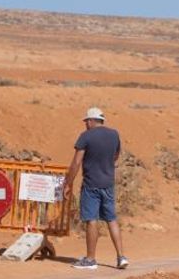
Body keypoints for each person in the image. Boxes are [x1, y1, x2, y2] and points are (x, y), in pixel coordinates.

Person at [63, 107, 129, 270]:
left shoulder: (86, 136)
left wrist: (68, 183)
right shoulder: (114, 134)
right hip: (108, 183)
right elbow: (116, 155)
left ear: (92, 121)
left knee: (91, 220)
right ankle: (121, 257)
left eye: (87, 121)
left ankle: (90, 259)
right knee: (111, 219)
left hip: (91, 184)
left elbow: (76, 163)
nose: (86, 124)